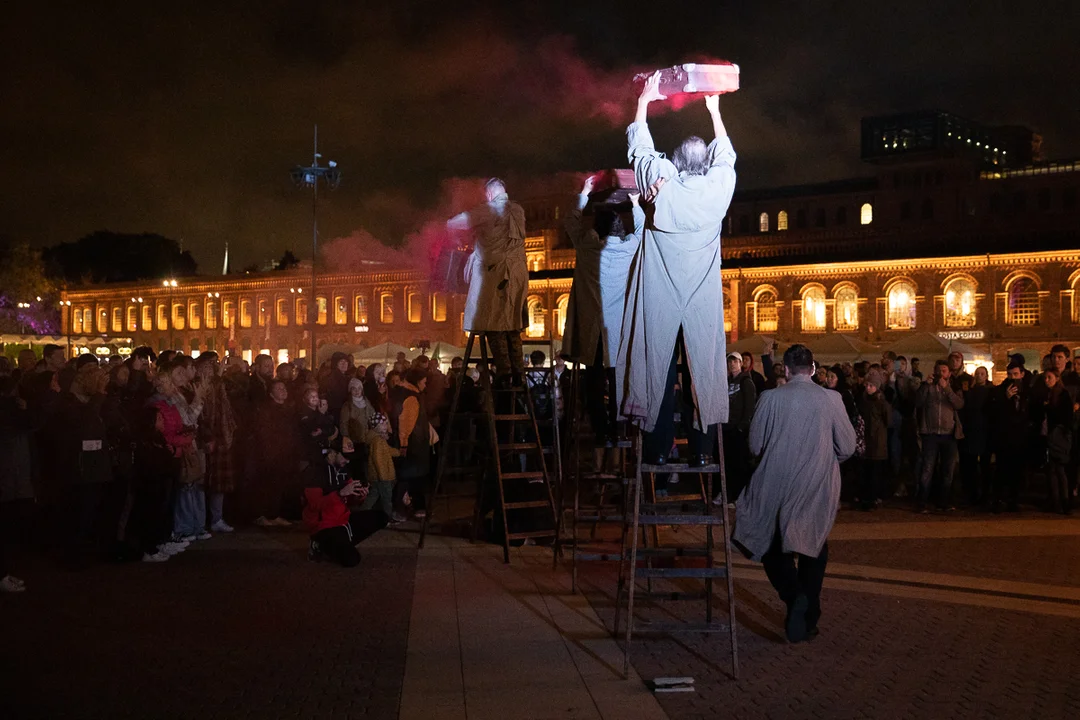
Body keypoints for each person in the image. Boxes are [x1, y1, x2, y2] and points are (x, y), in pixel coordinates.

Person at [617, 73, 736, 467]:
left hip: (662, 287)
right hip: (701, 290)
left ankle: (657, 451)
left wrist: (644, 101)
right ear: (705, 163)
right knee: (703, 364)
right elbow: (727, 157)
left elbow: (640, 151)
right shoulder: (719, 189)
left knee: (659, 366)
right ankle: (702, 452)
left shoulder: (662, 185)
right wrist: (715, 111)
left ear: (676, 163)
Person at [733, 345, 857, 642]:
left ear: (786, 370)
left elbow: (755, 444)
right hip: (816, 482)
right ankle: (808, 614)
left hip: (777, 481)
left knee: (774, 549)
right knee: (814, 548)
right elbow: (848, 446)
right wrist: (826, 457)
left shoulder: (770, 398)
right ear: (813, 369)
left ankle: (794, 595)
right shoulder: (831, 399)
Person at [562, 175, 645, 446]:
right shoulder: (627, 248)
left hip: (591, 331)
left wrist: (584, 192)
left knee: (594, 384)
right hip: (617, 331)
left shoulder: (587, 245)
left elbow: (570, 221)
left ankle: (602, 432)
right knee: (617, 379)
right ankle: (619, 428)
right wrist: (635, 204)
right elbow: (643, 231)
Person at [448, 178, 528, 383]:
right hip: (517, 277)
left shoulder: (488, 209)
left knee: (494, 324)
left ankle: (505, 375)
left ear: (490, 194)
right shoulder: (518, 210)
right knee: (513, 326)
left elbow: (456, 222)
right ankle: (518, 374)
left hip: (494, 275)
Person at [302, 437, 388, 567]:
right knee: (352, 560)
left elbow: (350, 500)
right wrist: (339, 493)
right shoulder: (315, 472)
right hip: (323, 527)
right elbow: (315, 505)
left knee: (382, 517)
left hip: (343, 520)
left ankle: (341, 544)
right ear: (332, 453)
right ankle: (318, 544)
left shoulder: (344, 470)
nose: (348, 461)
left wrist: (359, 495)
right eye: (345, 456)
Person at [914, 360, 965, 512]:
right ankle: (922, 501)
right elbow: (918, 402)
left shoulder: (954, 387)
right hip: (930, 434)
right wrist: (925, 386)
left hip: (949, 434)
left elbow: (959, 404)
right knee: (927, 469)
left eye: (944, 371)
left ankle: (944, 501)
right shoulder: (927, 387)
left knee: (947, 470)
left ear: (949, 373)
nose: (941, 374)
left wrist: (947, 390)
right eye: (939, 371)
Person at [195, 353, 238, 533]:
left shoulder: (219, 384)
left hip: (221, 435)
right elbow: (201, 414)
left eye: (214, 364)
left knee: (219, 482)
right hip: (205, 436)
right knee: (200, 481)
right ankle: (200, 521)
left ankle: (216, 518)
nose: (211, 368)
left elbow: (226, 409)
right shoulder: (197, 386)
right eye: (208, 364)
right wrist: (207, 435)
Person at [391, 368, 431, 519]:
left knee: (411, 477)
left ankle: (417, 507)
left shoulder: (401, 392)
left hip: (412, 443)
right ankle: (399, 509)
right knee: (408, 477)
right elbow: (405, 423)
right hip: (413, 444)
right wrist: (404, 444)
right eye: (424, 382)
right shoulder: (412, 398)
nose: (425, 386)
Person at [991, 361, 1029, 512]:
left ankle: (1013, 499)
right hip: (1004, 438)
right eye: (1009, 374)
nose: (1012, 377)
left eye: (1015, 374)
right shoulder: (1000, 390)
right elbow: (993, 412)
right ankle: (998, 499)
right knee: (1001, 470)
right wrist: (1005, 398)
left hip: (1021, 438)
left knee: (1017, 471)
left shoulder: (1027, 391)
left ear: (1022, 374)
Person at [722, 352, 757, 500]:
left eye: (735, 361)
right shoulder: (728, 381)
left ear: (741, 363)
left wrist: (743, 425)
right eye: (730, 361)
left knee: (740, 462)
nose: (732, 364)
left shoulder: (746, 382)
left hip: (739, 429)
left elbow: (749, 405)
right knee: (729, 462)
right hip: (728, 427)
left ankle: (739, 495)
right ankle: (730, 494)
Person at [957, 366, 992, 507]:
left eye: (982, 374)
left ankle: (985, 495)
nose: (979, 376)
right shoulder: (970, 392)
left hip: (985, 432)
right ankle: (972, 494)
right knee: (970, 467)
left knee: (985, 466)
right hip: (972, 432)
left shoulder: (990, 391)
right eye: (977, 374)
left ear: (986, 376)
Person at [857, 368, 891, 511]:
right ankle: (866, 497)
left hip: (877, 441)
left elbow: (888, 421)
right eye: (867, 385)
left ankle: (873, 498)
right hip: (866, 440)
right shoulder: (863, 400)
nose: (868, 388)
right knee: (866, 471)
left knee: (875, 472)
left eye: (871, 385)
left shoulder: (882, 403)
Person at [1041, 368, 1074, 514]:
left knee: (1058, 470)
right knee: (1054, 470)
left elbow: (1064, 416)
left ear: (1057, 378)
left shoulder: (1062, 395)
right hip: (1052, 434)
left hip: (1058, 436)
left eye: (1049, 377)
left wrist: (1048, 407)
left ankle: (1062, 501)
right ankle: (1058, 501)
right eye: (1045, 378)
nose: (1046, 380)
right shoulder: (1050, 393)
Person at [363, 412, 403, 522]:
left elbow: (387, 451)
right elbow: (378, 459)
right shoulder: (377, 441)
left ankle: (361, 513)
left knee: (373, 496)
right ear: (377, 426)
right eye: (384, 424)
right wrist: (383, 476)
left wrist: (398, 452)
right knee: (386, 497)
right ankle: (387, 518)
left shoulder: (379, 439)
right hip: (382, 476)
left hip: (377, 476)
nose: (386, 425)